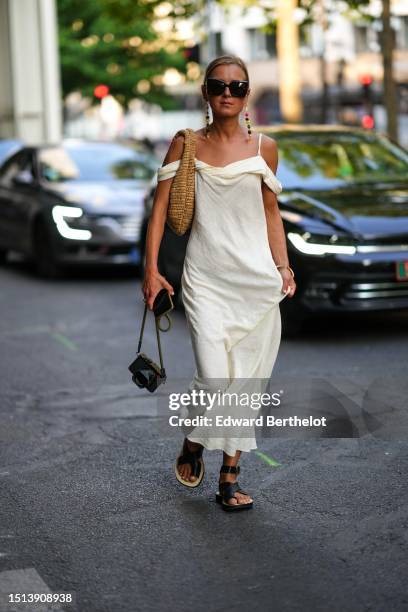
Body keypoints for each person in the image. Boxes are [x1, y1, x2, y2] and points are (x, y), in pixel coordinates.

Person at [142, 54, 297, 511]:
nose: (227, 94)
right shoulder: (185, 144)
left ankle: (229, 474)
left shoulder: (264, 147)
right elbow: (159, 211)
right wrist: (150, 270)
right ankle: (193, 440)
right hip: (206, 279)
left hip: (256, 282)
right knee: (214, 379)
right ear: (205, 93)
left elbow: (272, 214)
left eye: (236, 86)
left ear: (247, 94)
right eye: (218, 85)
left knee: (246, 381)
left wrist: (283, 267)